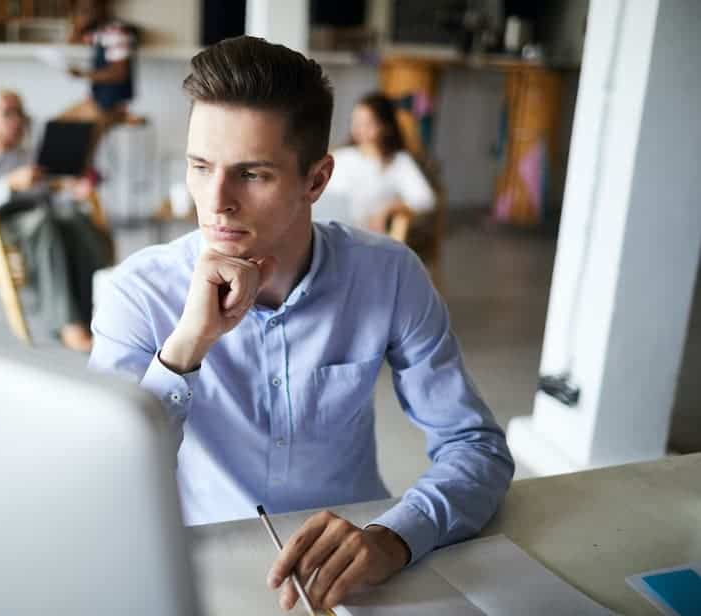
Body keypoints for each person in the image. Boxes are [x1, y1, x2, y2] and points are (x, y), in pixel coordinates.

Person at [88, 37, 514, 611]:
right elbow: (104, 487)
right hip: (204, 568)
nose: (216, 201)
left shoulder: (388, 276)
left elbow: (476, 447)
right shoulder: (136, 294)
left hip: (360, 564)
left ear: (316, 181)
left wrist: (394, 538)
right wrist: (184, 350)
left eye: (252, 174)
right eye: (199, 166)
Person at [0, 88, 112, 352]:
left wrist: (73, 193)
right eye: (8, 113)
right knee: (42, 224)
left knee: (75, 219)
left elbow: (47, 196)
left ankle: (94, 316)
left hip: (36, 213)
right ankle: (68, 325)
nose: (16, 120)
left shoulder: (26, 155)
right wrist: (10, 184)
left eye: (20, 113)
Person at [325, 91, 436, 234]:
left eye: (367, 123)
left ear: (386, 126)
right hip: (330, 229)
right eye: (356, 121)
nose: (359, 128)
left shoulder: (398, 162)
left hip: (366, 236)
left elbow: (426, 199)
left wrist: (390, 209)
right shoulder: (342, 156)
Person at [61, 0, 137, 131]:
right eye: (82, 9)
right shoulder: (98, 33)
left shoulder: (115, 32)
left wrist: (83, 74)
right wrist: (79, 24)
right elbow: (72, 41)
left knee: (65, 134)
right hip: (97, 103)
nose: (86, 12)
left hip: (110, 107)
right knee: (56, 127)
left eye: (88, 8)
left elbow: (120, 73)